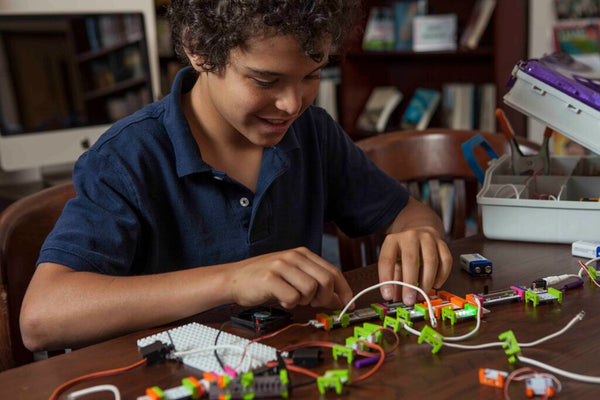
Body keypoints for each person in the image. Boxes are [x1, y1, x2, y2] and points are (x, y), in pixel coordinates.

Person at [20, 0, 452, 352]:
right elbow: (42, 317)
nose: (291, 104)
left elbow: (409, 215)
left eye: (312, 76)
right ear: (198, 49)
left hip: (291, 367)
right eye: (265, 80)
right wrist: (231, 280)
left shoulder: (313, 132)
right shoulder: (129, 155)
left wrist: (418, 232)